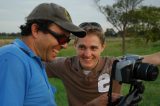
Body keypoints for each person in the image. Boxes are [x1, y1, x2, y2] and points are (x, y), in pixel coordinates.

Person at [0, 3, 86, 106]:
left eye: (67, 40)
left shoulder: (34, 59)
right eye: (61, 38)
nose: (65, 45)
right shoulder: (13, 59)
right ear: (35, 30)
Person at [46, 22, 122, 106]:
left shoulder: (116, 65)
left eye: (93, 48)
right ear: (75, 45)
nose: (87, 54)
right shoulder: (65, 65)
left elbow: (137, 63)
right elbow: (34, 62)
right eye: (82, 47)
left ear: (102, 47)